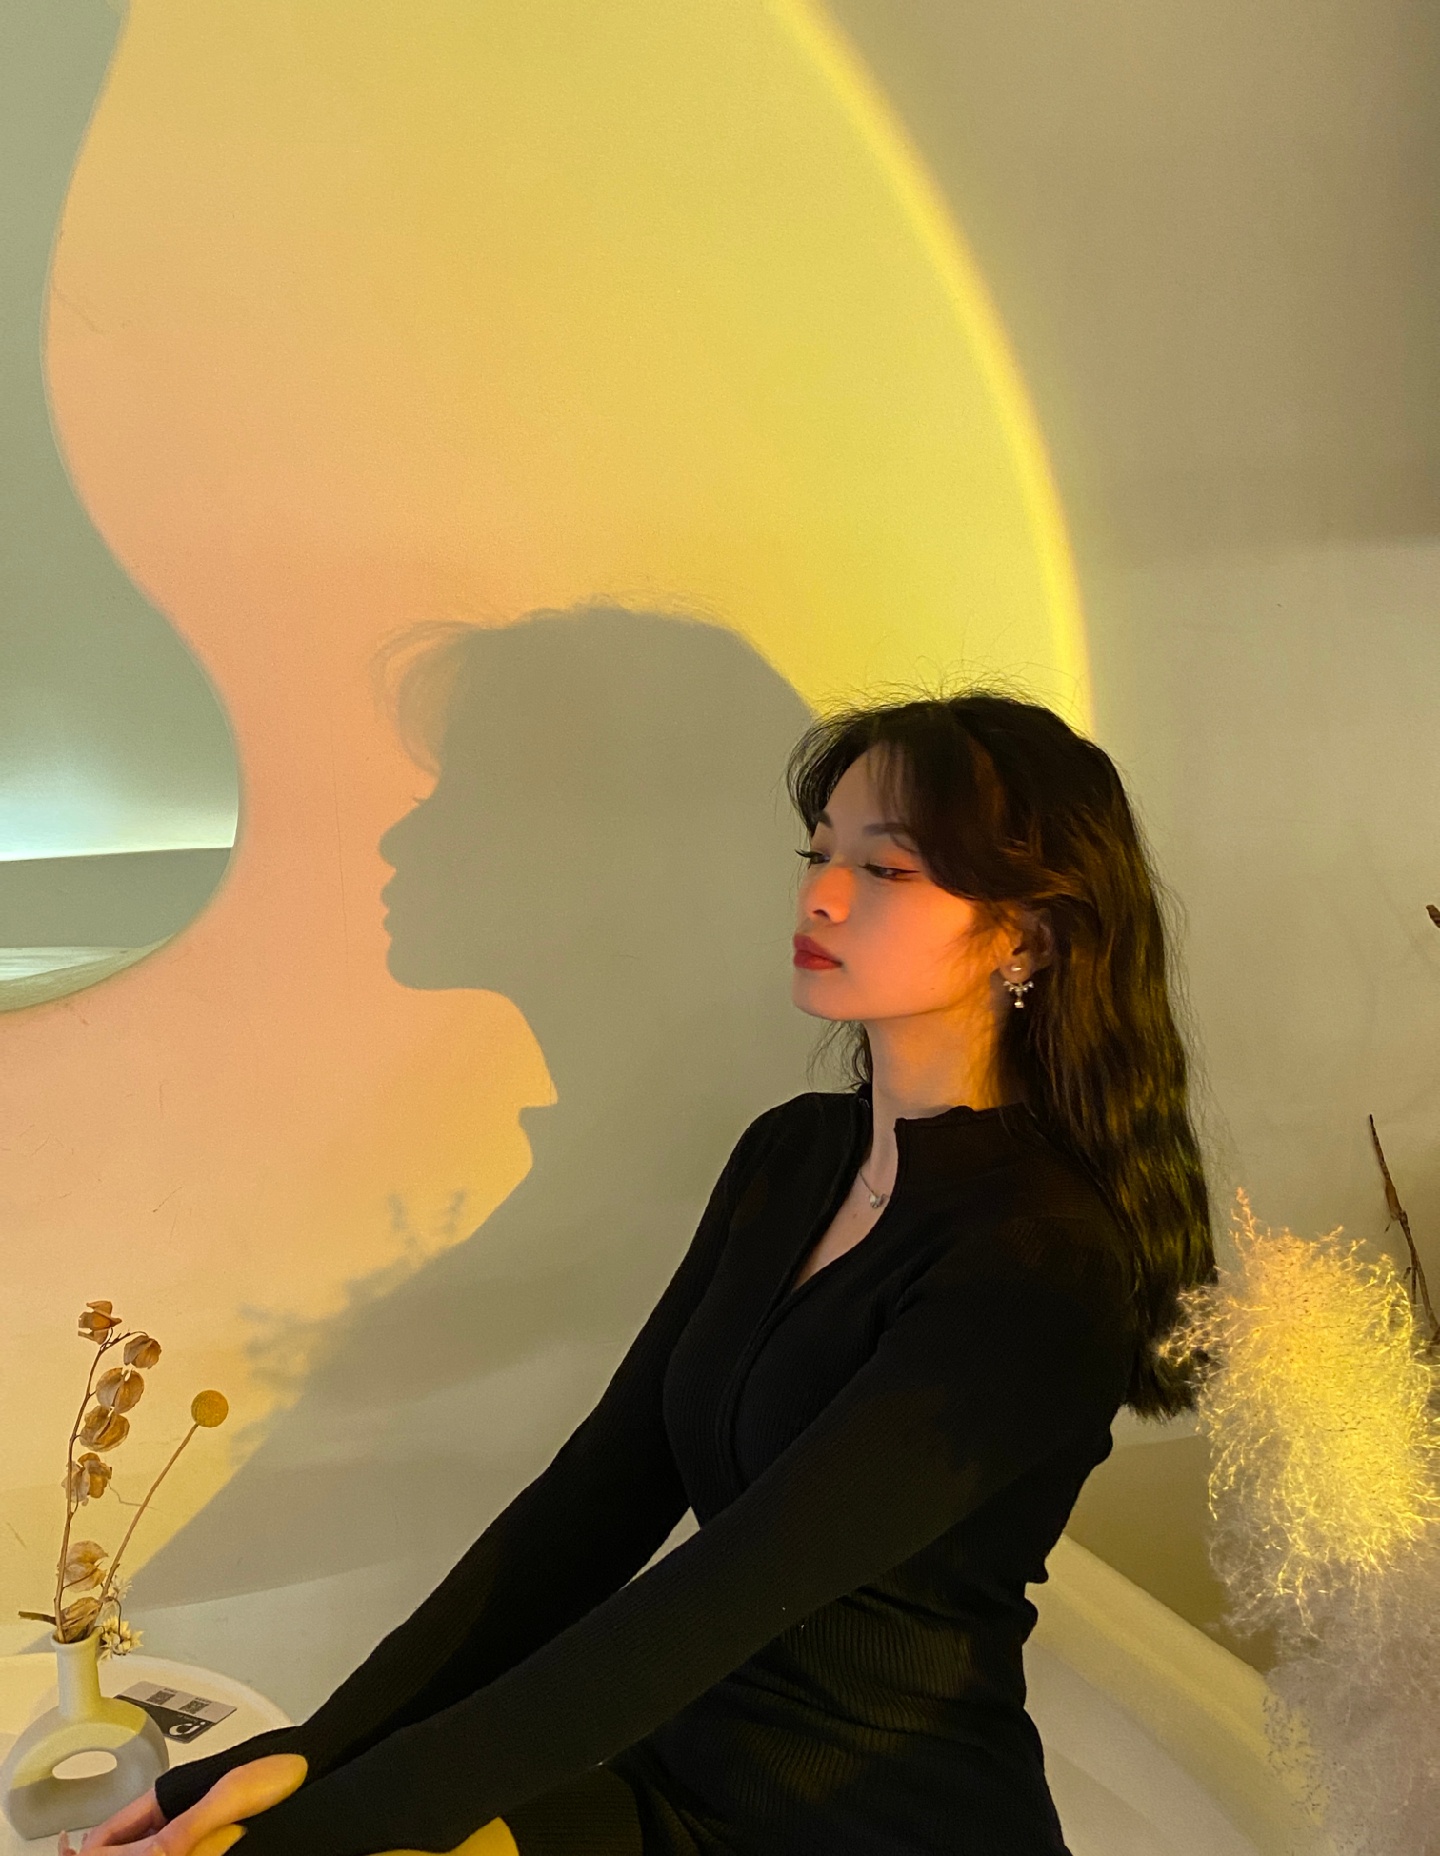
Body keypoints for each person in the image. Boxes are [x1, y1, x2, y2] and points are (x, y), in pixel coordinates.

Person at [71, 688, 1216, 1856]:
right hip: (681, 1778)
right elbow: (596, 1498)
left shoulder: (1043, 1261)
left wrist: (331, 1822)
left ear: (1027, 935)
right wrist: (319, 1749)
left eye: (886, 868)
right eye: (819, 852)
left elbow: (718, 1597)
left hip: (879, 1825)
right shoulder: (794, 1153)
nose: (821, 894)